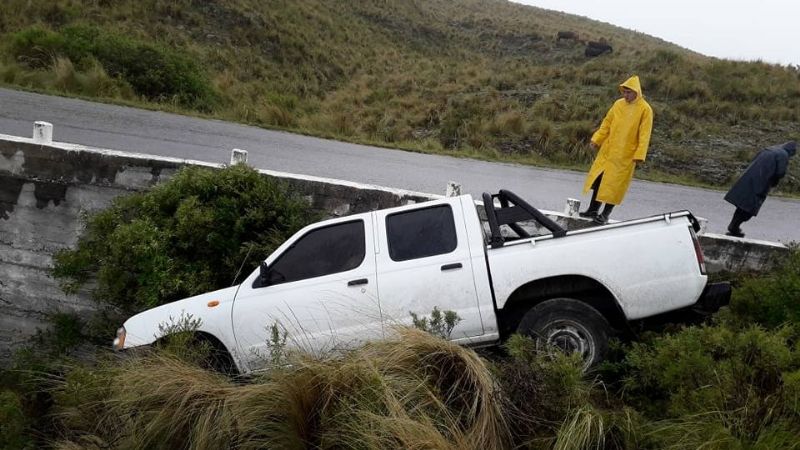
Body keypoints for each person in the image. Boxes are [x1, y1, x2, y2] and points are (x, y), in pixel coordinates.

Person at [579, 75, 653, 224]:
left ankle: (605, 214)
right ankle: (593, 210)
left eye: (628, 92)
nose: (625, 95)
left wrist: (639, 155)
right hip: (608, 151)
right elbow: (606, 123)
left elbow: (645, 134)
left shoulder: (645, 109)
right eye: (624, 92)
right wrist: (596, 139)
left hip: (626, 155)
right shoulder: (618, 104)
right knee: (599, 180)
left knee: (615, 186)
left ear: (636, 92)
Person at [724, 141, 796, 238]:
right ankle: (734, 227)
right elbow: (780, 172)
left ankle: (734, 226)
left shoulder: (770, 148)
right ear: (792, 151)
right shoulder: (783, 155)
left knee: (742, 205)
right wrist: (774, 182)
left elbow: (754, 159)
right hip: (761, 183)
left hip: (748, 178)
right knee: (749, 208)